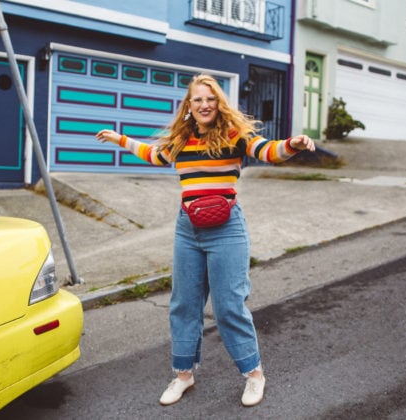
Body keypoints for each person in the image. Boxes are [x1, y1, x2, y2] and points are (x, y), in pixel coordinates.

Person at [95, 74, 315, 407]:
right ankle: (184, 374)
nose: (204, 104)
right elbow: (155, 155)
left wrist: (293, 145)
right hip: (188, 228)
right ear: (189, 106)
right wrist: (120, 139)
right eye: (197, 99)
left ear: (219, 103)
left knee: (229, 307)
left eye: (209, 99)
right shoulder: (181, 140)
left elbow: (267, 151)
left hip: (227, 228)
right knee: (184, 304)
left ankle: (254, 374)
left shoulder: (234, 135)